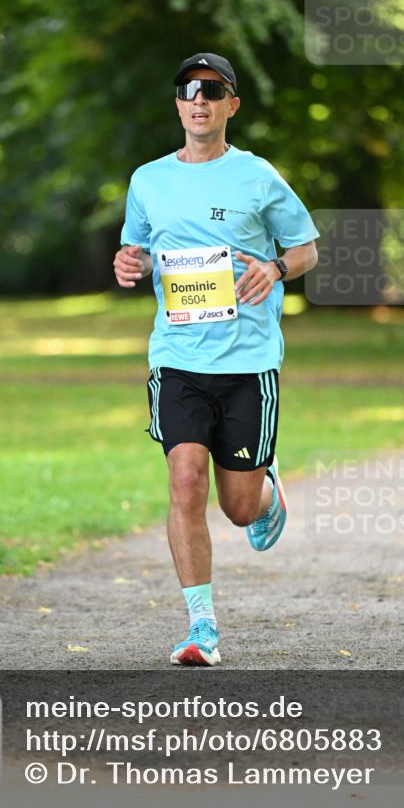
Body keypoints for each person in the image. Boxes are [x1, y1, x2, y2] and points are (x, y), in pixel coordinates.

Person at [113, 53, 319, 665]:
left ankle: (266, 492)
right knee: (184, 480)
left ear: (232, 104)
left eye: (212, 90)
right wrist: (132, 263)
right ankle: (201, 627)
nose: (198, 100)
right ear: (177, 104)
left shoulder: (256, 175)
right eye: (187, 90)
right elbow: (138, 250)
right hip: (177, 358)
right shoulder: (148, 180)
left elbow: (306, 247)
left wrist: (276, 267)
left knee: (236, 507)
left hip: (248, 363)